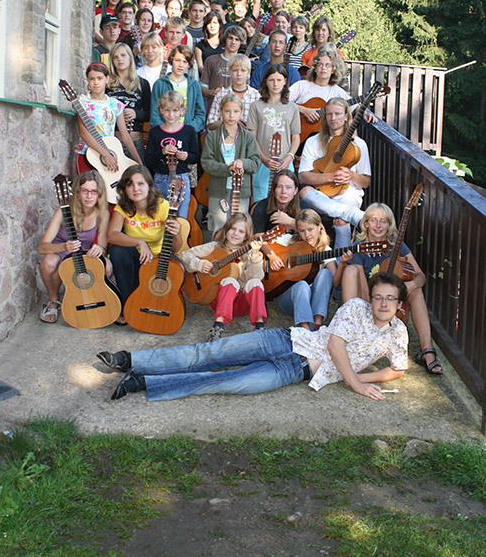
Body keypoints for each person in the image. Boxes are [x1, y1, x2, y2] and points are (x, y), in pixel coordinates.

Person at [100, 271, 408, 401]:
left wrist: (360, 378)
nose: (382, 304)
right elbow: (334, 343)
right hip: (286, 340)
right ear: (371, 297)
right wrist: (353, 381)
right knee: (209, 354)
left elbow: (398, 368)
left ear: (399, 303)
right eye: (378, 297)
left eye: (390, 299)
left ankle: (142, 382)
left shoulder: (398, 334)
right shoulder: (356, 307)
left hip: (293, 371)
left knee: (222, 382)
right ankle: (129, 359)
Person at [339, 203, 443, 375]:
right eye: (374, 220)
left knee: (417, 290)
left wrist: (408, 286)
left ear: (389, 225)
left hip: (390, 302)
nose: (378, 225)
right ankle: (348, 333)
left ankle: (427, 350)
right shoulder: (359, 246)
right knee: (350, 270)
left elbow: (421, 276)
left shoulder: (396, 245)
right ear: (366, 224)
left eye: (383, 221)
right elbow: (364, 291)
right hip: (363, 301)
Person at [107, 165, 182, 323]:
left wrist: (177, 233)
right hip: (135, 259)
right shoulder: (123, 207)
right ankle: (127, 304)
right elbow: (112, 235)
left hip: (157, 259)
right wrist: (139, 242)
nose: (135, 188)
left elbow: (175, 248)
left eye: (140, 183)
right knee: (118, 251)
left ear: (149, 185)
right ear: (124, 189)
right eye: (130, 184)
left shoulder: (163, 206)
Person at [180, 212, 267, 341]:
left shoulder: (249, 253)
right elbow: (185, 255)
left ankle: (260, 327)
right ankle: (217, 327)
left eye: (241, 231)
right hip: (219, 301)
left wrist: (255, 255)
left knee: (255, 282)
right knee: (230, 280)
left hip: (242, 304)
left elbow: (256, 277)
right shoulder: (215, 247)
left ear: (246, 237)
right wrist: (199, 263)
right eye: (233, 228)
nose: (235, 233)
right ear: (226, 230)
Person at [38, 171, 111, 323]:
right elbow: (42, 247)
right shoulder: (63, 211)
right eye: (84, 191)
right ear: (76, 192)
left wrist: (99, 249)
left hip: (83, 254)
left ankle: (89, 296)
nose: (89, 196)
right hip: (62, 252)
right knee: (48, 263)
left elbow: (103, 244)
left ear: (100, 194)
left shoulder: (102, 213)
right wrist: (64, 246)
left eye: (94, 191)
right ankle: (54, 300)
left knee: (108, 266)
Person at [299, 98, 370, 248]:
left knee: (341, 220)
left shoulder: (359, 144)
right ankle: (354, 215)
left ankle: (339, 264)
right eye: (329, 114)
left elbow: (366, 181)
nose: (333, 118)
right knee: (305, 191)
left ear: (346, 116)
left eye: (338, 114)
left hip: (348, 195)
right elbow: (303, 176)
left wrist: (352, 175)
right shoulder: (313, 141)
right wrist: (329, 176)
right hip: (321, 196)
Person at [277, 209, 346, 329]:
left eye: (310, 229)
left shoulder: (325, 250)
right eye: (302, 231)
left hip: (312, 300)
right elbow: (262, 241)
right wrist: (272, 257)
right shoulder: (291, 241)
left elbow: (334, 282)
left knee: (325, 273)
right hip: (289, 299)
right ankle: (305, 329)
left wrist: (343, 264)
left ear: (319, 227)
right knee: (302, 285)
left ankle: (317, 323)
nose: (307, 235)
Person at [201, 93, 260, 232]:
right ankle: (218, 254)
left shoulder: (248, 136)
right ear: (220, 111)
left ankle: (237, 254)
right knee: (218, 226)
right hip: (218, 190)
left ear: (241, 113)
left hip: (241, 190)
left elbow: (255, 162)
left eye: (236, 111)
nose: (231, 115)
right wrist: (228, 168)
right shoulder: (213, 136)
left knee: (239, 227)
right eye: (227, 111)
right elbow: (206, 162)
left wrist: (242, 163)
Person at [246, 64, 301, 202]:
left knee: (284, 199)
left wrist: (289, 157)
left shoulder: (292, 107)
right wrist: (263, 158)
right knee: (261, 199)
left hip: (284, 162)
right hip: (263, 161)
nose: (275, 84)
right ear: (265, 81)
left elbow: (296, 136)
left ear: (285, 82)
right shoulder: (256, 106)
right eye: (271, 80)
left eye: (279, 80)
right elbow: (252, 136)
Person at [74, 63, 142, 174]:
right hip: (87, 153)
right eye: (92, 79)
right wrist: (105, 154)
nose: (96, 82)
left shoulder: (115, 105)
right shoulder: (82, 102)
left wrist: (139, 162)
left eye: (99, 78)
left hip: (109, 156)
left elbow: (125, 136)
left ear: (107, 79)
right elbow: (83, 133)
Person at [144, 91, 200, 220]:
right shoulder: (155, 132)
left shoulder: (189, 131)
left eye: (175, 110)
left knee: (180, 218)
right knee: (160, 217)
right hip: (161, 178)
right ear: (160, 110)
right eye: (167, 110)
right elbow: (148, 160)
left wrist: (187, 156)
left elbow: (196, 156)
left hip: (182, 178)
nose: (171, 114)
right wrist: (162, 152)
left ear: (182, 111)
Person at [106, 43, 151, 161]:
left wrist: (136, 114)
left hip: (136, 141)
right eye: (115, 57)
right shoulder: (107, 84)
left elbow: (150, 113)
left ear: (130, 57)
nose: (120, 59)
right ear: (112, 61)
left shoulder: (142, 84)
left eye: (123, 55)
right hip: (113, 142)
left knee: (138, 176)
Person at [149, 46, 205, 133]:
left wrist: (188, 130)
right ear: (171, 61)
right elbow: (154, 113)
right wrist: (163, 131)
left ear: (189, 64)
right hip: (164, 133)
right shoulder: (160, 84)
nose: (181, 65)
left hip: (188, 134)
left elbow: (200, 114)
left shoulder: (194, 85)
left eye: (185, 61)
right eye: (177, 60)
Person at [200, 25, 246, 114]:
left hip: (235, 114)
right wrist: (212, 92)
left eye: (237, 39)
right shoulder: (211, 60)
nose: (233, 42)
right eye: (230, 38)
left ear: (241, 42)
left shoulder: (244, 63)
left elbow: (246, 89)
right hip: (213, 113)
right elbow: (202, 87)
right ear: (225, 39)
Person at [206, 54, 260, 130]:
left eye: (243, 70)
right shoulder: (221, 95)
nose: (239, 74)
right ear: (229, 72)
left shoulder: (256, 96)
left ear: (248, 73)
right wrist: (228, 122)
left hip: (248, 139)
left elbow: (260, 124)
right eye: (235, 70)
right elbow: (210, 124)